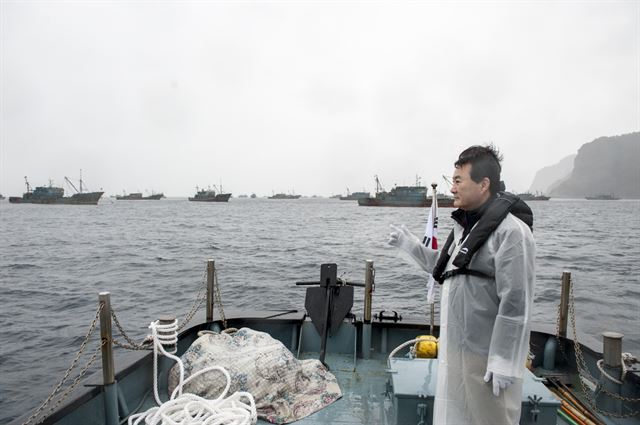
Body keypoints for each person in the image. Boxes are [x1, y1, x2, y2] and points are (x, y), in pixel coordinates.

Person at [388, 145, 535, 425]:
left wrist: (504, 359)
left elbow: (517, 302)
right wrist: (409, 246)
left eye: (458, 181)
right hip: (456, 348)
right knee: (453, 415)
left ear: (483, 184)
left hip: (488, 357)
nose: (452, 188)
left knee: (488, 418)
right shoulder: (465, 230)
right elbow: (446, 271)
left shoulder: (512, 233)